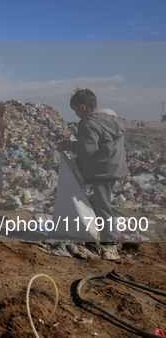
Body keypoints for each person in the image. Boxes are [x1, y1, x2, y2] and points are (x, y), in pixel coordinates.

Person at [58, 88, 127, 261]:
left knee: (102, 209)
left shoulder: (89, 122)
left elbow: (87, 149)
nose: (76, 114)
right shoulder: (113, 118)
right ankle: (102, 237)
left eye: (75, 110)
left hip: (100, 172)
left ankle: (110, 247)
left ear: (82, 107)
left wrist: (67, 145)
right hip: (114, 169)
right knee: (102, 205)